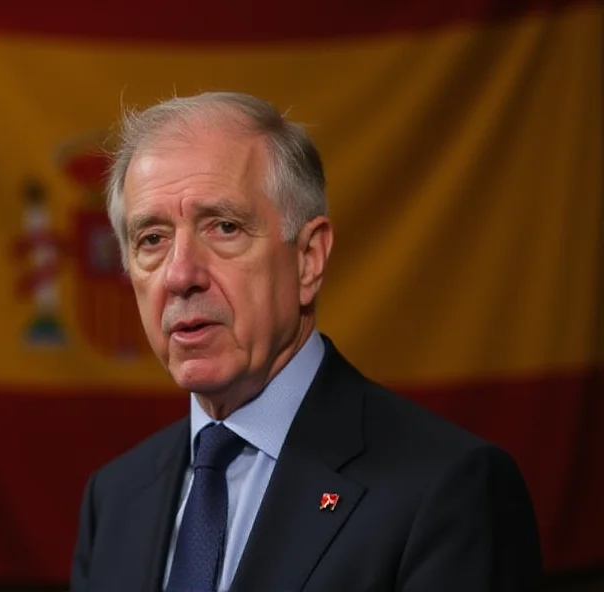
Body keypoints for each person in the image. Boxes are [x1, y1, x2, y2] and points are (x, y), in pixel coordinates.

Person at [71, 91, 542, 591]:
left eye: (224, 227)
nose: (180, 274)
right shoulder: (115, 498)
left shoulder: (450, 489)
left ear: (308, 259)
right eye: (152, 239)